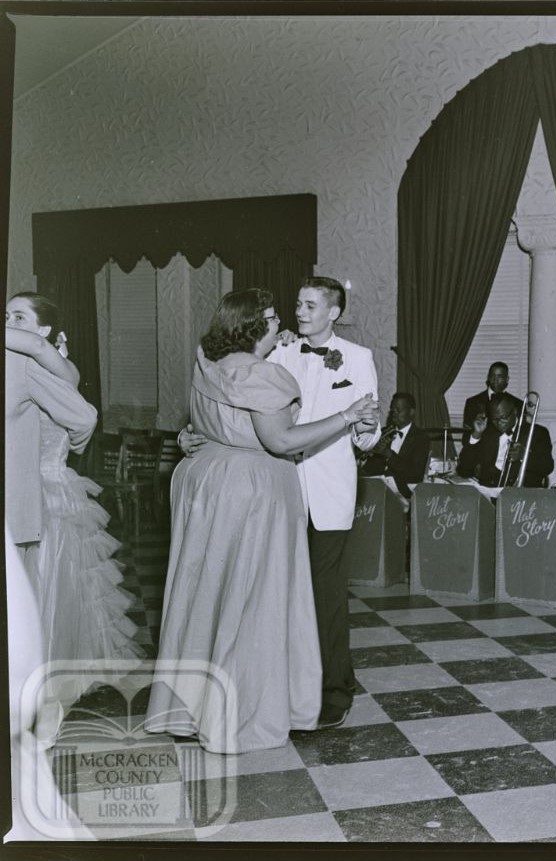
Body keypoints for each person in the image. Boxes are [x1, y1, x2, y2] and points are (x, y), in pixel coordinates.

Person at [148, 289, 378, 753]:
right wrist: (347, 414)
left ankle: (188, 706)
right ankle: (240, 711)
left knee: (206, 594)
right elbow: (281, 441)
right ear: (255, 327)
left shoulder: (206, 360)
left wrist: (193, 435)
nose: (285, 322)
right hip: (252, 490)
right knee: (252, 601)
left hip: (206, 484)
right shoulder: (265, 370)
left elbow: (206, 419)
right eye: (274, 317)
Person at [6, 293, 138, 738]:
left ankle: (48, 701)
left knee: (48, 594)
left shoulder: (47, 367)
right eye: (6, 315)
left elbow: (84, 419)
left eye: (19, 316)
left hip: (50, 492)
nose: (9, 321)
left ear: (43, 331)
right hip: (23, 490)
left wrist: (63, 454)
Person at [457, 391, 554, 488]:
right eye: (494, 419)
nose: (499, 423)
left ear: (515, 412)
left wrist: (523, 456)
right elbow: (464, 469)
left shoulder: (537, 433)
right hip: (488, 494)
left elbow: (547, 467)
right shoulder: (487, 432)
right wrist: (476, 435)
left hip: (521, 495)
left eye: (503, 417)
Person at [360, 391, 431, 500]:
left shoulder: (421, 438)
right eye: (393, 410)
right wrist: (367, 457)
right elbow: (371, 470)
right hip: (379, 493)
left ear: (411, 412)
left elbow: (416, 475)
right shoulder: (384, 432)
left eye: (398, 410)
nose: (394, 413)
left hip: (404, 494)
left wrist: (388, 454)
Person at [461, 362, 522, 447]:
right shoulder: (472, 402)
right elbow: (466, 438)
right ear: (488, 378)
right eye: (492, 376)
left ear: (507, 379)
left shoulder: (519, 404)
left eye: (499, 376)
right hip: (480, 455)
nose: (495, 379)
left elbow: (521, 436)